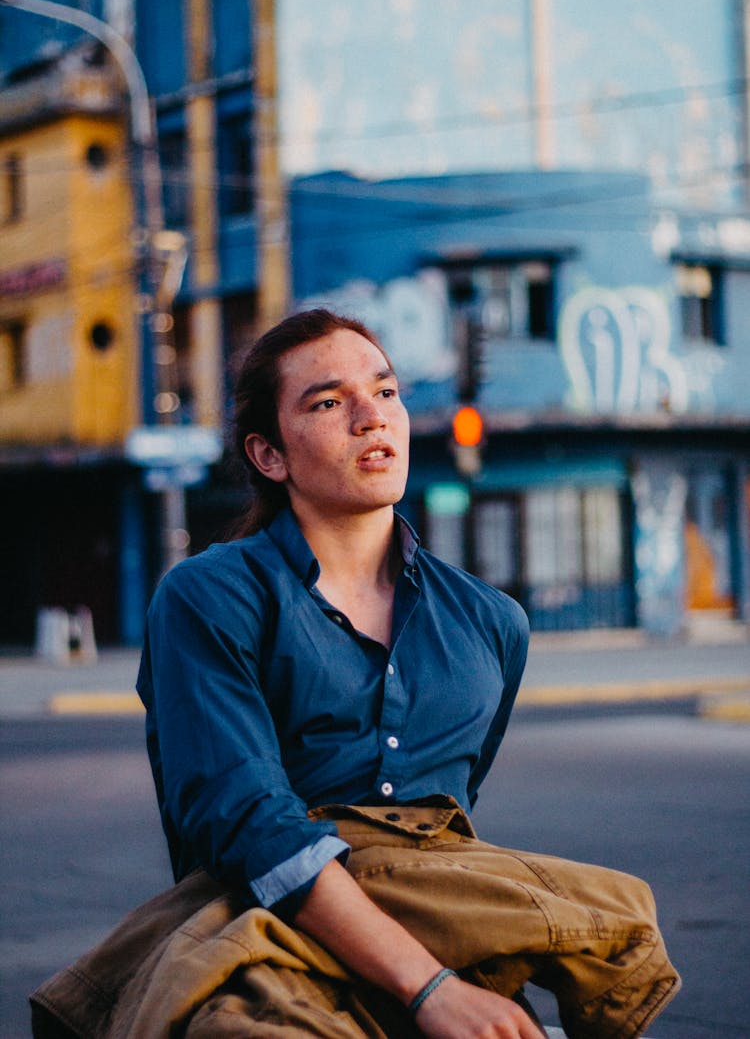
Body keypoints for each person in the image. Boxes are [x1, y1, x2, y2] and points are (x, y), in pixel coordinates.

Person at [31, 308, 679, 1039]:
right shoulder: (209, 596)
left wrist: (447, 977)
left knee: (617, 923)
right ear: (270, 455)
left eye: (387, 391)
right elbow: (247, 821)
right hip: (261, 927)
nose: (372, 417)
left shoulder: (490, 623)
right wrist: (428, 986)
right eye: (329, 402)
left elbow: (446, 823)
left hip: (443, 923)